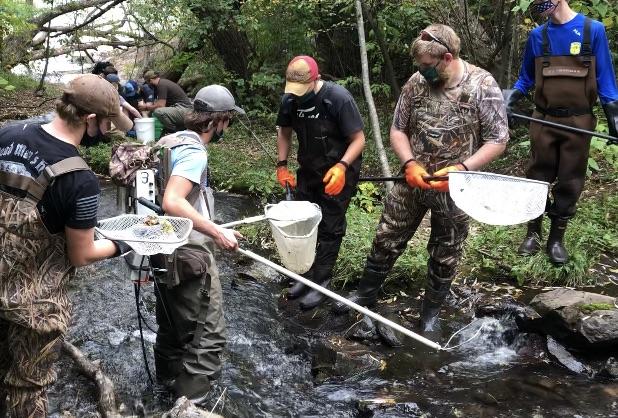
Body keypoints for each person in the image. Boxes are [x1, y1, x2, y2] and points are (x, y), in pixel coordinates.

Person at [333, 24, 509, 331]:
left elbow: (498, 139)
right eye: (420, 66)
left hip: (456, 186)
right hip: (412, 181)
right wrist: (409, 163)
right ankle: (365, 294)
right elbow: (398, 129)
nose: (422, 71)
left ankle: (430, 314)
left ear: (448, 57)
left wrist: (463, 169)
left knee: (447, 249)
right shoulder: (415, 83)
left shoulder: (483, 85)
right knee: (387, 236)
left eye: (427, 66)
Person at [0, 74, 132, 417]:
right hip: (33, 306)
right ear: (90, 121)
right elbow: (82, 254)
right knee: (26, 387)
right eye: (105, 124)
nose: (106, 132)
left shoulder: (9, 133)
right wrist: (124, 244)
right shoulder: (80, 179)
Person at [504, 0, 618, 265]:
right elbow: (526, 77)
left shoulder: (593, 30)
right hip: (543, 119)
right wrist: (510, 97)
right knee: (537, 175)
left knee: (570, 180)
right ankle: (532, 233)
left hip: (578, 122)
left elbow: (606, 81)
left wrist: (614, 114)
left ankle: (556, 239)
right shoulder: (537, 36)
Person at [150, 85, 244, 405]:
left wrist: (216, 226)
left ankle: (164, 391)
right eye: (227, 121)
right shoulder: (194, 152)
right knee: (209, 338)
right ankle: (192, 406)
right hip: (189, 254)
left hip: (160, 249)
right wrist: (216, 233)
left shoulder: (169, 140)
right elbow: (173, 200)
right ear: (216, 121)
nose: (227, 128)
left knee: (172, 329)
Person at [275, 55, 366, 310]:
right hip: (309, 169)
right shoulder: (289, 99)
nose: (298, 95)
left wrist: (342, 166)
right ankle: (305, 277)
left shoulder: (338, 98)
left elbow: (359, 139)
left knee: (329, 225)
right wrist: (282, 165)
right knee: (305, 223)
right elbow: (284, 130)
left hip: (339, 170)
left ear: (315, 79)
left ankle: (321, 282)